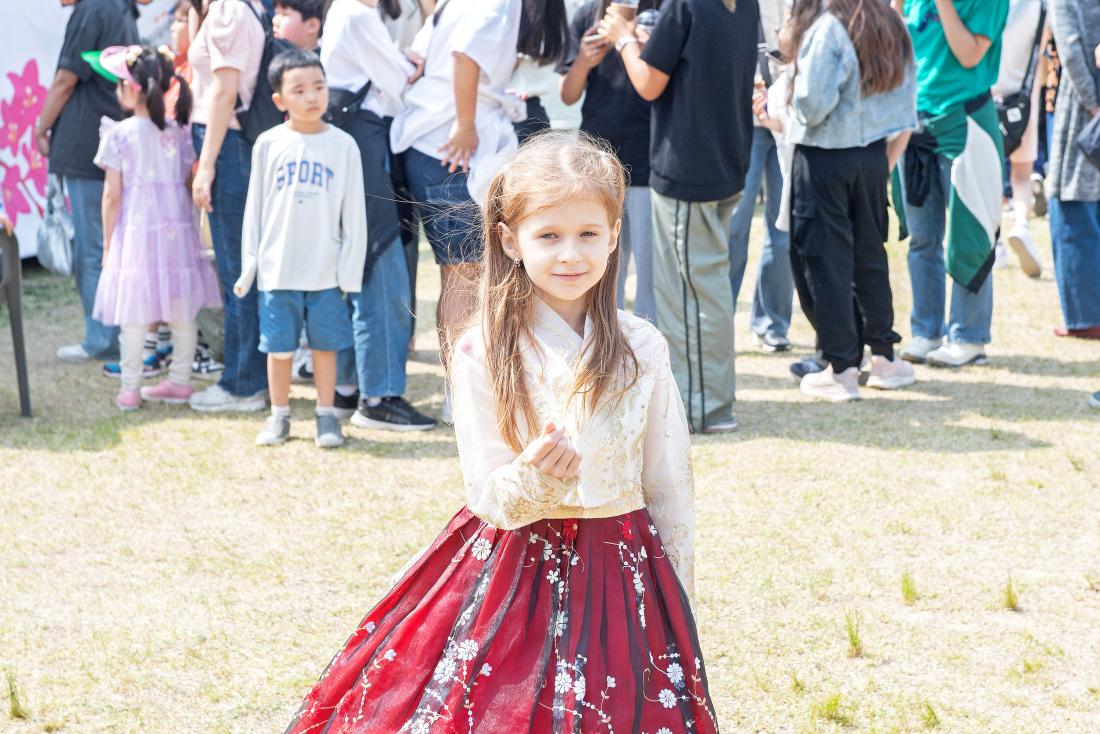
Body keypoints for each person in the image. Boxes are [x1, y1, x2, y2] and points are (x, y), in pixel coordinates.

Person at [284, 131, 717, 734]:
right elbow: (487, 494)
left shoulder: (642, 345)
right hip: (516, 573)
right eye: (549, 235)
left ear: (615, 234)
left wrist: (676, 600)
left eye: (589, 233)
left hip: (623, 565)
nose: (571, 254)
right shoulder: (481, 350)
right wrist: (533, 478)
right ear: (511, 241)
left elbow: (668, 481)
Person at [597, 0, 758, 433]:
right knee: (707, 288)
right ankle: (707, 401)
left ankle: (704, 406)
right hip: (725, 160)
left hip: (690, 168)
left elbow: (648, 84)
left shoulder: (685, 5)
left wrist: (625, 39)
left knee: (688, 295)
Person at [389, 0, 566, 377]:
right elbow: (465, 55)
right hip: (451, 144)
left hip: (445, 139)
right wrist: (465, 122)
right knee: (463, 273)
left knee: (467, 273)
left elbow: (419, 52)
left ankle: (467, 385)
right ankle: (460, 390)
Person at [773, 0, 916, 402]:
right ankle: (885, 358)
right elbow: (907, 103)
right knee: (870, 255)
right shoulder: (891, 22)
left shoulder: (829, 28)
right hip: (872, 154)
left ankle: (841, 368)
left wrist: (790, 73)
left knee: (825, 259)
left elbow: (812, 106)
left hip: (823, 155)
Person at [234, 49, 367, 448]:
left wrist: (349, 270)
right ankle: (279, 416)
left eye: (319, 87)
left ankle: (326, 417)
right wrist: (250, 265)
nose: (311, 97)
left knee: (326, 347)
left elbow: (354, 214)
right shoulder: (268, 144)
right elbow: (254, 210)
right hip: (278, 269)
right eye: (300, 90)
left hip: (326, 270)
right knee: (279, 349)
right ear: (280, 100)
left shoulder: (344, 146)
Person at [322, 0, 438, 431]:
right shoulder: (356, 13)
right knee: (382, 264)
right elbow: (399, 85)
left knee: (359, 264)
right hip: (367, 146)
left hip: (357, 145)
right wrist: (419, 65)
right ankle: (381, 397)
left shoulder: (348, 12)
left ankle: (349, 388)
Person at [86, 45, 221, 410]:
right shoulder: (178, 133)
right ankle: (179, 381)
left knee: (134, 315)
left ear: (132, 89)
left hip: (136, 233)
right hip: (176, 232)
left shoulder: (119, 134)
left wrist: (109, 243)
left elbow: (112, 196)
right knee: (181, 312)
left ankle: (130, 389)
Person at [898, 0, 1009, 368]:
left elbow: (968, 56)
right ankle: (926, 330)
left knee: (969, 233)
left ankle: (968, 336)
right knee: (921, 236)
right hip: (916, 121)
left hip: (966, 121)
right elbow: (897, 39)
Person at [35, 0, 139, 364]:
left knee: (92, 250)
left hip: (87, 143)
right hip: (113, 138)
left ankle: (100, 338)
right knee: (110, 245)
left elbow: (66, 79)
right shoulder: (120, 9)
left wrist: (41, 125)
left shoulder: (92, 8)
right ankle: (113, 333)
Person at [187, 0, 270, 412]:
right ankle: (249, 376)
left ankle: (243, 382)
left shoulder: (228, 10)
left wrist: (206, 165)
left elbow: (224, 91)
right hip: (232, 144)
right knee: (241, 265)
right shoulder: (244, 8)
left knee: (237, 269)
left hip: (226, 144)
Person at [559, 0, 657, 323]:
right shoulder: (588, 14)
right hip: (596, 160)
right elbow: (568, 94)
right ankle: (604, 339)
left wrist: (635, 42)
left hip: (649, 158)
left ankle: (648, 348)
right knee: (602, 265)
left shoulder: (664, 13)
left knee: (650, 269)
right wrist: (584, 63)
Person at [727, 0, 795, 353]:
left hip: (789, 121)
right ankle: (720, 321)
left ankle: (772, 324)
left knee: (783, 229)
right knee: (735, 225)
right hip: (744, 121)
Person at [1046, 0, 1100, 340]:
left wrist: (1094, 105)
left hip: (1085, 108)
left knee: (1070, 206)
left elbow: (1070, 47)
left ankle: (1085, 316)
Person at [992, 0, 1045, 278]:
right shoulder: (1040, 4)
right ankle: (1022, 225)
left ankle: (996, 241)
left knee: (990, 174)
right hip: (1024, 99)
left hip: (988, 95)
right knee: (1022, 175)